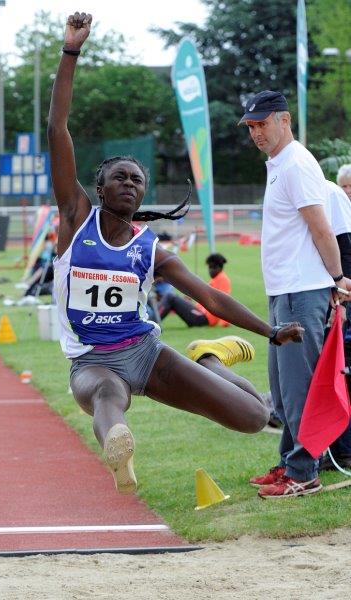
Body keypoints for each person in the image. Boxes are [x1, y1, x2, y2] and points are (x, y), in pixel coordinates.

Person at [48, 15, 304, 495]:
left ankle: (208, 359)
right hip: (91, 360)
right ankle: (119, 448)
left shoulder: (151, 250)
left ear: (143, 193)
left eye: (137, 180)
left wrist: (269, 331)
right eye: (120, 177)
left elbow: (209, 297)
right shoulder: (74, 219)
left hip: (146, 354)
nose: (129, 183)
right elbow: (57, 128)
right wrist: (70, 53)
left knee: (253, 418)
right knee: (107, 394)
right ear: (99, 187)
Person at [239, 90, 351, 499]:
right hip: (285, 290)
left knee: (299, 386)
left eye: (262, 124)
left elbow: (322, 228)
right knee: (284, 389)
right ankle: (290, 461)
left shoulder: (298, 164)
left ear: (284, 120)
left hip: (303, 290)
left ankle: (304, 472)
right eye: (251, 126)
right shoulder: (279, 163)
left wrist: (337, 278)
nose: (256, 133)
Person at [319, 179, 351, 470]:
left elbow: (345, 250)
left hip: (338, 300)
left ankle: (343, 450)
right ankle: (335, 449)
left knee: (341, 370)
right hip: (324, 295)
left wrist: (342, 298)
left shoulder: (330, 194)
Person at [158, 253, 232, 327]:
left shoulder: (223, 279)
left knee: (170, 297)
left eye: (211, 268)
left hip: (205, 319)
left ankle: (154, 321)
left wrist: (225, 323)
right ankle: (153, 320)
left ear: (218, 268)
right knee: (172, 298)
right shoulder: (215, 279)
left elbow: (224, 302)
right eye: (209, 268)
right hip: (199, 313)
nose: (209, 271)